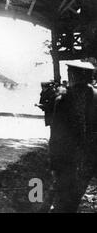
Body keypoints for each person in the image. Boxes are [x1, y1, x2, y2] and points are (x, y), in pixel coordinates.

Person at [48, 61, 97, 213]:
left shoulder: (63, 100)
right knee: (76, 195)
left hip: (68, 158)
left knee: (65, 199)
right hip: (91, 156)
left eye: (70, 73)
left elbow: (56, 134)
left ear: (74, 75)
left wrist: (53, 160)